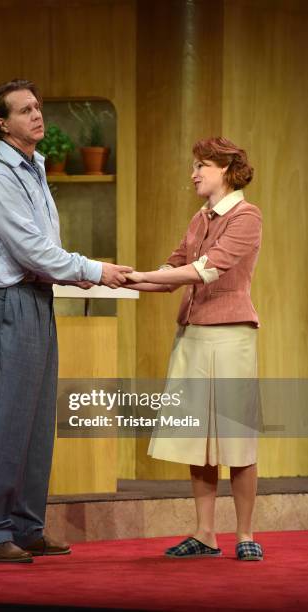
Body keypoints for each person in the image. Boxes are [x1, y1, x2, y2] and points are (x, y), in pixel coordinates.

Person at [0, 78, 132, 563]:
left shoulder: (34, 166)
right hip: (8, 303)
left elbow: (44, 252)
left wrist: (75, 272)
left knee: (37, 420)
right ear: (2, 123)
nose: (37, 116)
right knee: (8, 418)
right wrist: (93, 270)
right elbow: (31, 249)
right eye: (25, 110)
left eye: (38, 107)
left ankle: (25, 524)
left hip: (36, 298)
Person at [126, 137, 263, 561]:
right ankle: (205, 534)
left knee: (235, 438)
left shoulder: (247, 215)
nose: (194, 173)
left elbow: (206, 268)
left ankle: (245, 535)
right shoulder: (199, 217)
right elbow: (174, 268)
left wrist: (144, 275)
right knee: (198, 438)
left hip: (229, 334)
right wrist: (119, 279)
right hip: (193, 334)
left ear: (226, 169)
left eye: (202, 165)